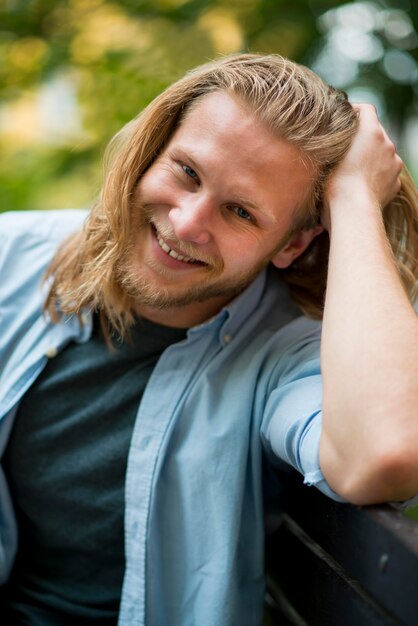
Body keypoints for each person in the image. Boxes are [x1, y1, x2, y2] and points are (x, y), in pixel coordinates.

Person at [0, 53, 417, 626]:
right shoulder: (12, 258)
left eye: (241, 212)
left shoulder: (282, 355)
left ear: (293, 245)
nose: (189, 223)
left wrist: (354, 197)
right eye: (186, 173)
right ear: (150, 154)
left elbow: (386, 453)